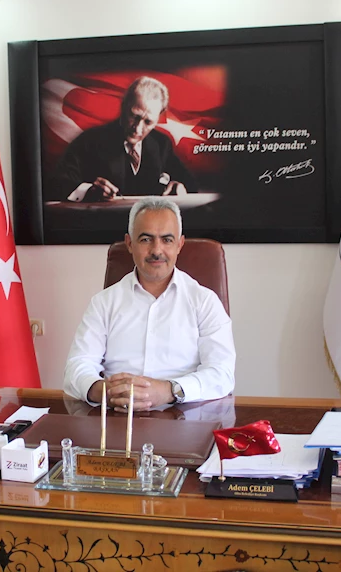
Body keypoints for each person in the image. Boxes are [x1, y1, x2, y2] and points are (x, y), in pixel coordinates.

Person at [64, 196, 235, 409]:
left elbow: (222, 374)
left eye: (167, 240)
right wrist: (106, 391)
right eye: (146, 239)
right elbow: (76, 367)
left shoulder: (205, 302)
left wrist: (168, 391)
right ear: (130, 244)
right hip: (117, 416)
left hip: (184, 417)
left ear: (179, 244)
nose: (156, 250)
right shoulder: (103, 303)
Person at [50, 76, 199, 202]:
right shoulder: (89, 141)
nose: (138, 128)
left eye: (148, 122)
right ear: (124, 106)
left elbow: (190, 183)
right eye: (134, 116)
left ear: (159, 118)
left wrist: (179, 186)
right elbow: (57, 183)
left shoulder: (161, 144)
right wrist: (88, 190)